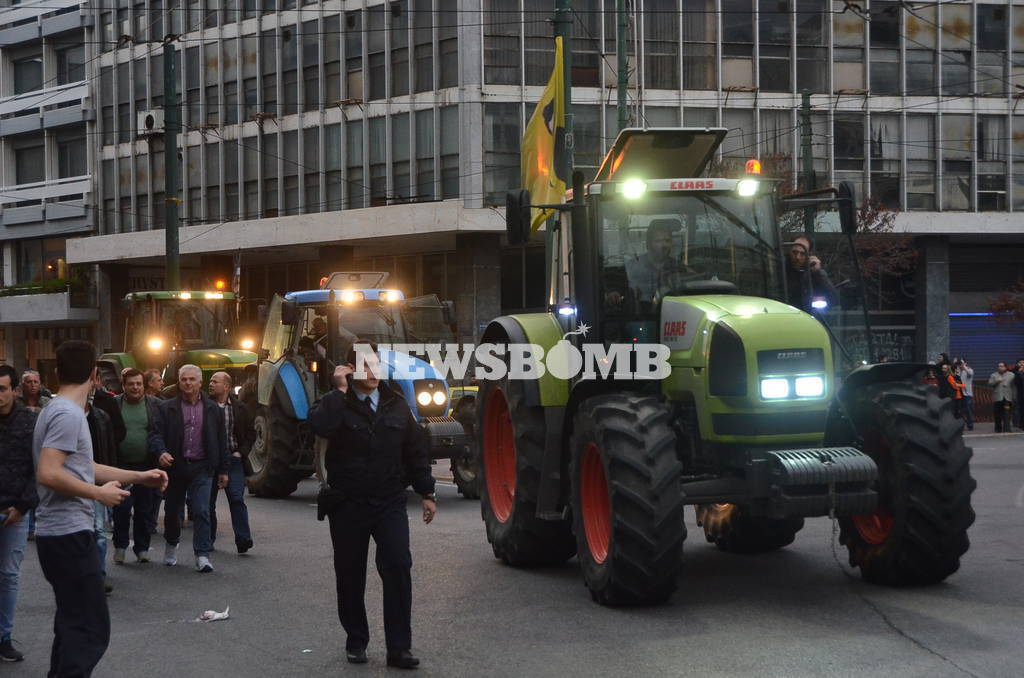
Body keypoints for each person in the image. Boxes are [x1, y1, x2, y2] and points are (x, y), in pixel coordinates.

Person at [33, 340, 167, 677]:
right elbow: (49, 472)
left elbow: (84, 466)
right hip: (67, 536)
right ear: (95, 376)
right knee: (90, 629)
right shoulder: (67, 414)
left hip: (60, 536)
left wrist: (139, 476)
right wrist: (97, 494)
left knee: (72, 624)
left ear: (57, 373)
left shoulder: (59, 410)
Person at [309, 341, 436, 669]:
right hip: (348, 503)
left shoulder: (397, 404)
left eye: (377, 365)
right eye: (365, 365)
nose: (373, 372)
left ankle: (400, 648)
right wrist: (338, 391)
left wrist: (427, 492)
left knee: (398, 568)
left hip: (389, 502)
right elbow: (320, 426)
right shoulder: (335, 403)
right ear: (350, 371)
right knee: (350, 575)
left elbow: (415, 450)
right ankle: (356, 640)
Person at [149, 364, 228, 573]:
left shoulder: (212, 409)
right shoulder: (167, 408)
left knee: (202, 510)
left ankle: (202, 555)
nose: (188, 383)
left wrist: (223, 470)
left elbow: (221, 441)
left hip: (202, 467)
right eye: (184, 379)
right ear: (179, 381)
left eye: (192, 379)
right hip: (176, 466)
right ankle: (172, 544)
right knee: (173, 512)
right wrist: (161, 452)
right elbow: (155, 434)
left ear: (200, 382)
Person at [0, 365, 38, 663]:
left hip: (14, 511)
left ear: (14, 390)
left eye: (2, 389)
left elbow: (39, 469)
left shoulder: (29, 421)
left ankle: (4, 637)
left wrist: (22, 506)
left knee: (9, 576)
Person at [112, 369, 161, 564]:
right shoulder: (115, 404)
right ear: (123, 386)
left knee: (144, 509)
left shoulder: (155, 405)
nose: (135, 387)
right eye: (131, 384)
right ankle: (120, 547)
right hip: (121, 467)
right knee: (122, 509)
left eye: (138, 384)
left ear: (144, 385)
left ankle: (142, 548)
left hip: (146, 465)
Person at [207, 372, 254, 555]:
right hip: (210, 461)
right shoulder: (205, 407)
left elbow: (251, 433)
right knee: (208, 502)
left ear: (226, 386)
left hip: (233, 460)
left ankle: (243, 539)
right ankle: (207, 540)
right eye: (210, 381)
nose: (210, 384)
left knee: (236, 499)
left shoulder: (240, 408)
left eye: (215, 381)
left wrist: (240, 452)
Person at [86, 387, 119, 595]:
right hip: (72, 483)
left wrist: (114, 478)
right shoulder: (65, 417)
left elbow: (110, 448)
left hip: (98, 480)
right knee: (81, 532)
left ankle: (99, 574)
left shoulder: (100, 416)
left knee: (98, 530)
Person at [624, 219, 680, 304]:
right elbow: (618, 289)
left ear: (671, 243)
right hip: (638, 314)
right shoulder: (632, 266)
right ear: (648, 244)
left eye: (667, 240)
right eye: (658, 241)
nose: (663, 245)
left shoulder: (679, 267)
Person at [785, 235, 838, 312]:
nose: (797, 257)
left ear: (808, 254)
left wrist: (818, 273)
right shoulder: (780, 269)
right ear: (789, 251)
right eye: (795, 252)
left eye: (802, 253)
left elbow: (834, 299)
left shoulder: (814, 273)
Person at [988, 362, 1015, 433]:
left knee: (1007, 414)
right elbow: (990, 384)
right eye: (999, 366)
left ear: (1005, 367)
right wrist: (997, 381)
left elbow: (1014, 385)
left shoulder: (1011, 375)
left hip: (1007, 397)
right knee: (997, 414)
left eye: (1002, 366)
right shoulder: (993, 375)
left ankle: (1007, 429)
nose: (1000, 367)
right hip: (997, 397)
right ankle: (998, 429)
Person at [957, 359, 974, 431]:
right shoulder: (958, 371)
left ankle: (970, 425)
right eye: (960, 363)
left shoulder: (969, 370)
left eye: (962, 363)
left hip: (967, 394)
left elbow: (970, 374)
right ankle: (960, 425)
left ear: (966, 363)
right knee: (960, 410)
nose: (960, 364)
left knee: (968, 410)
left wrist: (964, 366)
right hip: (959, 394)